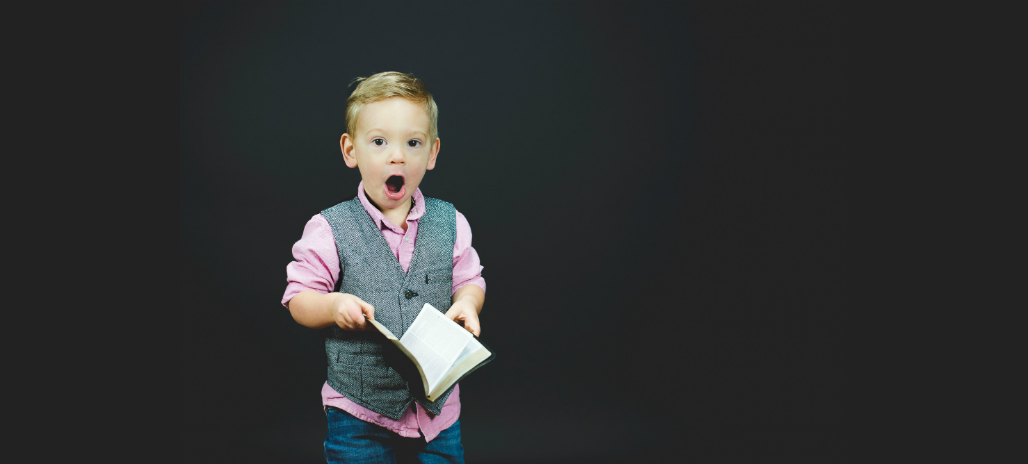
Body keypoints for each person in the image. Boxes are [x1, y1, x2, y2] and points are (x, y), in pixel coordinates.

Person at [282, 71, 486, 464]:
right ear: (350, 151)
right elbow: (298, 298)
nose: (398, 156)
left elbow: (470, 279)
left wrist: (468, 303)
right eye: (379, 142)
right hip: (359, 410)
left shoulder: (451, 222)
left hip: (437, 411)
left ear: (432, 153)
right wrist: (332, 306)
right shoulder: (330, 228)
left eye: (413, 143)